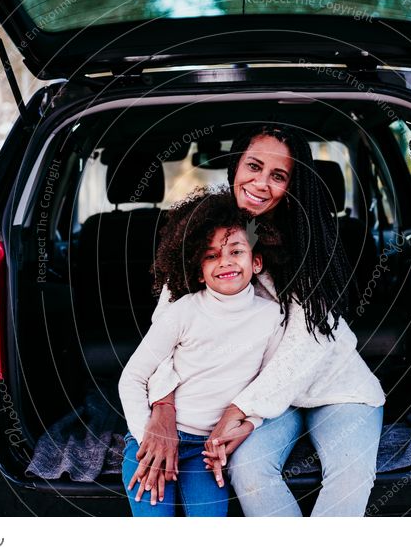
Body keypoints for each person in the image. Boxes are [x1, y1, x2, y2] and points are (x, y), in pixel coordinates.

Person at [131, 123, 386, 517]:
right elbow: (168, 325)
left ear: (291, 186)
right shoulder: (208, 231)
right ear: (235, 167)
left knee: (350, 471)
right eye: (253, 166)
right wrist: (163, 406)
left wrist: (239, 411)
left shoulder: (308, 239)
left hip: (332, 387)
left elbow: (305, 348)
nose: (261, 182)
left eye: (278, 175)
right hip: (267, 400)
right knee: (248, 469)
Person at [118, 189, 283, 517]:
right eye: (210, 256)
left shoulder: (271, 317)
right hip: (156, 438)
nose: (225, 261)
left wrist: (247, 422)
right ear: (197, 271)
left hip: (207, 453)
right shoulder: (183, 312)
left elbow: (269, 385)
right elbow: (132, 378)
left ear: (257, 260)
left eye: (237, 250)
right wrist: (147, 437)